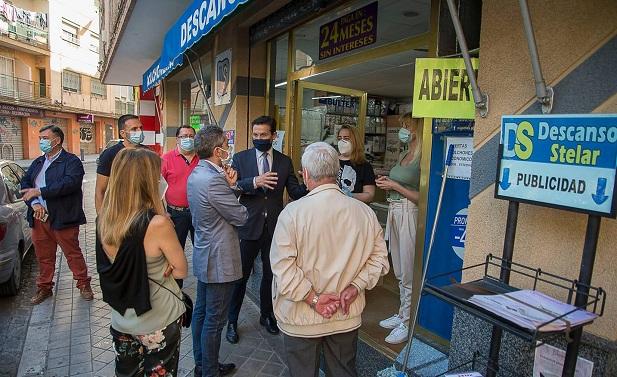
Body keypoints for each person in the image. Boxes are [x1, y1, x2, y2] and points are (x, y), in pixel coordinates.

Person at [270, 142, 389, 377]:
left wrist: (314, 299)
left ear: (305, 174)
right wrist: (355, 287)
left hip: (300, 317)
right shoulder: (364, 212)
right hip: (346, 314)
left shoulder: (292, 213)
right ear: (337, 172)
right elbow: (380, 260)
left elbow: (283, 268)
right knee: (343, 371)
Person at [97, 148, 188, 377]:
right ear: (147, 181)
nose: (161, 180)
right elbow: (181, 269)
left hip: (121, 320)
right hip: (157, 320)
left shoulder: (103, 219)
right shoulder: (158, 224)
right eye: (157, 176)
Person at [226, 115, 308, 343]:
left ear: (274, 136)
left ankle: (266, 314)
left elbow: (294, 192)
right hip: (247, 226)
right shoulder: (240, 159)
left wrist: (311, 183)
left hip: (274, 227)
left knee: (270, 276)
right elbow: (232, 188)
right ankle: (231, 321)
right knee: (240, 277)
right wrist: (255, 182)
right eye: (255, 135)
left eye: (263, 135)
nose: (259, 139)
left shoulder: (284, 161)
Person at [188, 126, 248, 377]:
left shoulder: (197, 173)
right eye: (226, 144)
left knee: (202, 313)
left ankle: (203, 364)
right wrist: (234, 189)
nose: (228, 148)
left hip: (205, 251)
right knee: (214, 319)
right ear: (217, 150)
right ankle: (209, 371)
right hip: (219, 258)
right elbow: (240, 216)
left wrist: (230, 186)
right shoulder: (213, 180)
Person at [21, 125, 93, 305]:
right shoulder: (38, 162)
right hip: (40, 218)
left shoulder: (71, 161)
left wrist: (40, 192)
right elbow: (25, 185)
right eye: (40, 138)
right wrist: (35, 203)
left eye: (45, 138)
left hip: (64, 217)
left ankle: (83, 284)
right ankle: (44, 287)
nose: (41, 142)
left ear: (57, 140)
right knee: (43, 256)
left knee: (72, 253)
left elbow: (69, 184)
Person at [375, 113, 422, 344]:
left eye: (406, 125)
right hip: (394, 209)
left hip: (409, 213)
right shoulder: (405, 154)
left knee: (408, 266)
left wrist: (394, 184)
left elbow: (422, 197)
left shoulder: (423, 157)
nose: (403, 129)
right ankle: (403, 312)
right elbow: (399, 182)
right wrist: (386, 179)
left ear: (417, 128)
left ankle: (408, 320)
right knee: (400, 268)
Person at [162, 125, 199, 288]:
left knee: (203, 250)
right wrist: (162, 212)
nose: (188, 139)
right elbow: (156, 187)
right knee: (175, 252)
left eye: (191, 136)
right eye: (184, 136)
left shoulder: (202, 158)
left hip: (200, 213)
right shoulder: (166, 158)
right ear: (177, 139)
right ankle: (176, 290)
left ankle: (204, 283)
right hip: (176, 214)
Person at [95, 114, 145, 215]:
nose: (139, 131)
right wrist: (101, 220)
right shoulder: (110, 154)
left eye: (141, 128)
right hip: (119, 213)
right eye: (134, 129)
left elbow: (156, 186)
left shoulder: (147, 152)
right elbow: (100, 191)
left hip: (144, 212)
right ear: (123, 133)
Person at [336, 124, 376, 203]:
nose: (342, 141)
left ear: (355, 141)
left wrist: (350, 195)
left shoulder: (365, 166)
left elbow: (369, 195)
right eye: (339, 138)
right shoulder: (331, 161)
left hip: (353, 209)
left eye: (346, 138)